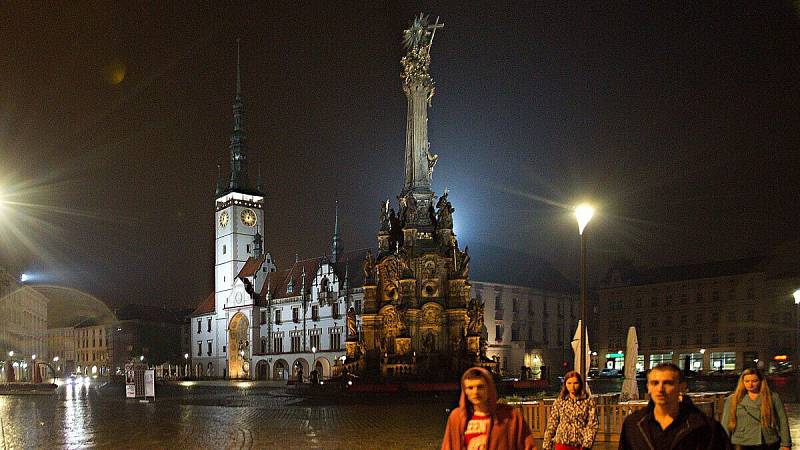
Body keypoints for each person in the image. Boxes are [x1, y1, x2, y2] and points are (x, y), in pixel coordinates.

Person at [618, 363, 731, 450]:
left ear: (681, 387)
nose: (660, 389)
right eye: (654, 383)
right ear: (648, 387)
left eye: (668, 383)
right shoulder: (633, 424)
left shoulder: (706, 427)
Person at [442, 366, 537, 450]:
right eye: (470, 388)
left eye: (480, 387)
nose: (475, 392)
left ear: (489, 388)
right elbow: (449, 446)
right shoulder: (457, 417)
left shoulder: (510, 416)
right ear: (464, 391)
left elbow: (527, 445)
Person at [721, 368, 791, 450]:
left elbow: (782, 421)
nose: (750, 384)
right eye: (747, 381)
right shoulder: (733, 399)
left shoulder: (772, 397)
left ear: (761, 381)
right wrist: (722, 444)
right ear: (742, 382)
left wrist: (786, 443)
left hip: (767, 441)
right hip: (741, 442)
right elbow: (725, 423)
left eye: (754, 381)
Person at [542, 371, 598, 450]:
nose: (572, 386)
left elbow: (592, 424)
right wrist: (546, 445)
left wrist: (587, 444)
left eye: (575, 383)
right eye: (569, 383)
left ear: (580, 384)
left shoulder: (588, 401)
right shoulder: (559, 402)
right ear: (565, 384)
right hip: (562, 443)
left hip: (580, 444)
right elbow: (552, 424)